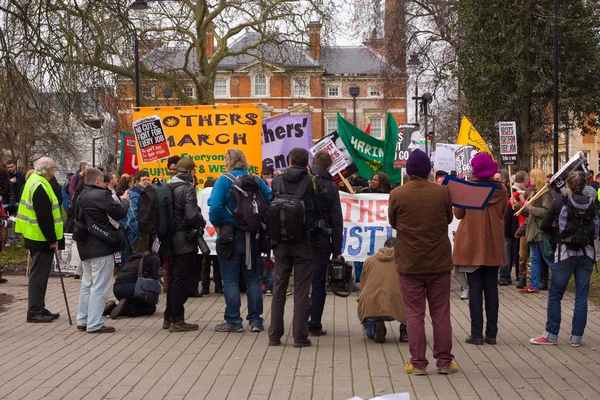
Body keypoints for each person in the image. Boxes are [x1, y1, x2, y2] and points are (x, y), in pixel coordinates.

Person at [388, 149, 458, 375]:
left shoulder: (398, 194)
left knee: (414, 314)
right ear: (429, 170)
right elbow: (448, 218)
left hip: (410, 262)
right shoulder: (442, 193)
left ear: (408, 170)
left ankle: (417, 363)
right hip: (438, 261)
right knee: (440, 312)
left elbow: (393, 222)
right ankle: (445, 362)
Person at [531, 171, 598, 347]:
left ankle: (551, 334)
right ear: (585, 185)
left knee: (555, 295)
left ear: (568, 185)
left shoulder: (560, 202)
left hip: (565, 253)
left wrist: (557, 236)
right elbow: (597, 230)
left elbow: (545, 225)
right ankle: (576, 337)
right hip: (587, 253)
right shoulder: (592, 204)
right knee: (581, 296)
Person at [209, 149, 270, 333]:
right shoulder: (256, 180)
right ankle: (256, 321)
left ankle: (234, 321)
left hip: (229, 235)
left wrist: (218, 224)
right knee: (253, 279)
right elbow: (269, 201)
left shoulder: (224, 180)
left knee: (231, 280)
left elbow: (215, 207)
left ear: (228, 161)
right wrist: (259, 222)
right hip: (252, 236)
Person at [454, 154, 507, 345]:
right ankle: (491, 334)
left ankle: (476, 333)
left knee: (474, 288)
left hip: (472, 243)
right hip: (493, 243)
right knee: (492, 289)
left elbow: (458, 214)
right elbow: (502, 212)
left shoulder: (469, 189)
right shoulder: (501, 189)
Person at [268, 147, 318, 347]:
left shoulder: (277, 180)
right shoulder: (310, 181)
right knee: (301, 289)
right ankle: (299, 336)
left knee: (279, 286)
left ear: (289, 161)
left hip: (280, 242)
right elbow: (315, 211)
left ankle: (274, 335)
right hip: (303, 243)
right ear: (306, 162)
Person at [74, 168, 130, 333]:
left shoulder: (81, 195)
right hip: (101, 245)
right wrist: (125, 200)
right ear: (98, 180)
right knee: (100, 286)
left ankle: (83, 320)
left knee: (87, 284)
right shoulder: (101, 195)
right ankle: (95, 323)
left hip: (85, 245)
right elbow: (120, 212)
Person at [14, 157, 64, 322]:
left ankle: (39, 307)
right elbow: (44, 216)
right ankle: (34, 311)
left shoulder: (35, 180)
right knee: (39, 276)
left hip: (34, 235)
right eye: (54, 168)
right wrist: (52, 239)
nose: (55, 170)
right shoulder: (40, 185)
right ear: (47, 169)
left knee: (40, 275)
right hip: (40, 237)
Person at [163, 158, 206, 332]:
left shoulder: (168, 187)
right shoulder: (186, 188)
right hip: (184, 240)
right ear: (190, 172)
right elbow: (191, 215)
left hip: (170, 239)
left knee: (174, 279)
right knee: (182, 280)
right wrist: (201, 219)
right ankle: (177, 319)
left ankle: (168, 317)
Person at [308, 150, 344, 337]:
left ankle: (299, 320)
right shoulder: (330, 187)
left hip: (300, 240)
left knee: (301, 282)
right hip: (321, 240)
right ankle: (314, 324)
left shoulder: (301, 181)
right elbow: (336, 219)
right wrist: (337, 248)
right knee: (318, 282)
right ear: (329, 167)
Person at [358, 237, 407, 343]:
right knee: (410, 302)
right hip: (396, 305)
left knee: (369, 332)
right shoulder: (404, 261)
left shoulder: (369, 260)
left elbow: (363, 283)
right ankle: (405, 331)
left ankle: (375, 329)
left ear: (384, 246)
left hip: (371, 305)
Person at [514, 168, 554, 293]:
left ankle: (558, 282)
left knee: (548, 258)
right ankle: (534, 285)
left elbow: (546, 212)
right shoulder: (533, 192)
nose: (529, 179)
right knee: (535, 259)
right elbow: (529, 214)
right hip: (532, 231)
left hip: (540, 232)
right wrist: (518, 205)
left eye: (532, 177)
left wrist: (530, 207)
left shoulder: (545, 193)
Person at [111, 251, 161, 319]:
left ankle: (113, 307)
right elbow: (155, 279)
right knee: (151, 308)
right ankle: (127, 310)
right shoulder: (154, 258)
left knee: (132, 302)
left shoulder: (132, 258)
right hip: (132, 290)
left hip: (116, 289)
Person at [496, 169, 519, 286]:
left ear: (504, 180)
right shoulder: (495, 192)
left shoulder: (514, 193)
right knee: (505, 252)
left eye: (497, 179)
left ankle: (519, 275)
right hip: (503, 227)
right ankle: (504, 276)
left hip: (514, 226)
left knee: (515, 252)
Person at [201, 178, 222, 295]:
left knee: (205, 263)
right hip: (217, 233)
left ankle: (205, 286)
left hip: (204, 235)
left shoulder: (201, 195)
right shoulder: (216, 195)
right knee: (218, 262)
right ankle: (218, 286)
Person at [123, 171, 151, 255]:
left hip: (144, 232)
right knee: (139, 262)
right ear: (137, 181)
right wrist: (140, 234)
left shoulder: (145, 193)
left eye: (148, 179)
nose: (147, 181)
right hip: (137, 235)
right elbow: (132, 217)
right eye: (144, 180)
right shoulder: (133, 194)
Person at [512, 170, 529, 289]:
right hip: (523, 227)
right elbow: (512, 203)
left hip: (531, 228)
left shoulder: (531, 192)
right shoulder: (517, 193)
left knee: (534, 256)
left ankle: (539, 277)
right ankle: (522, 277)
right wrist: (518, 194)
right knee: (522, 256)